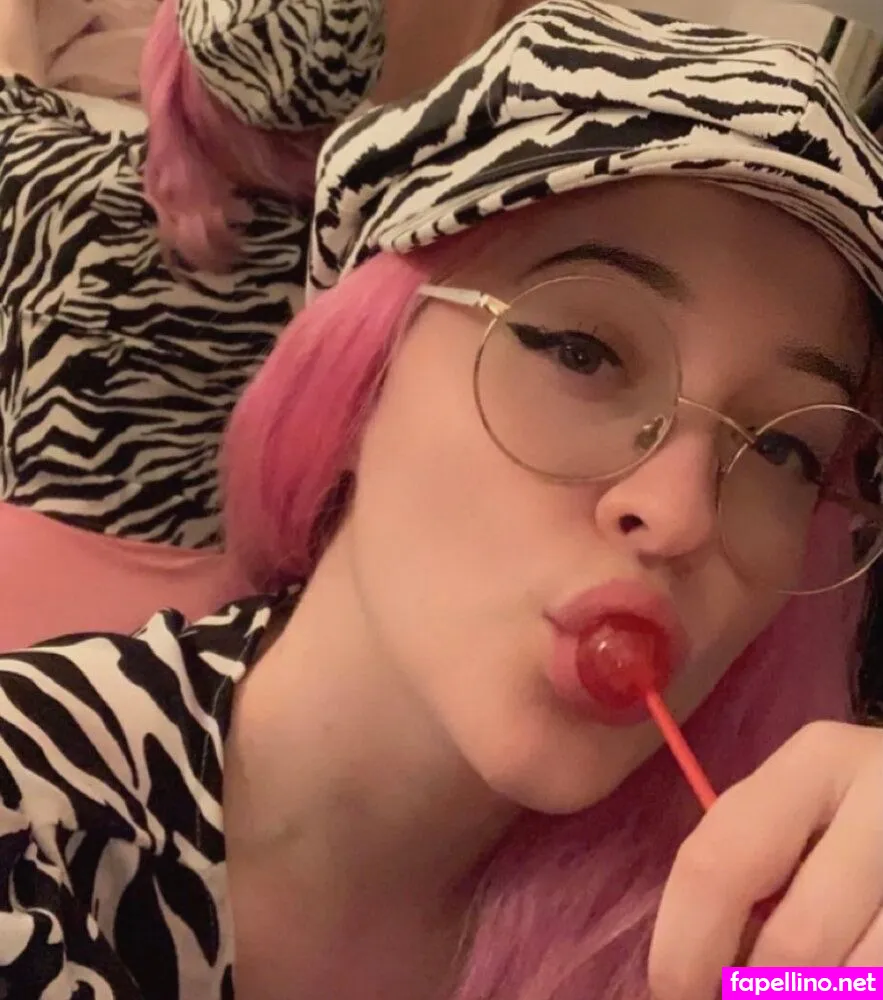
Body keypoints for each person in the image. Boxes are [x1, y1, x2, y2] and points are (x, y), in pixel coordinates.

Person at [2, 2, 883, 998]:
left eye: (782, 450)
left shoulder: (744, 928)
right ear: (363, 369)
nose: (681, 513)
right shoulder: (31, 819)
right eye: (582, 351)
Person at [0, 0, 384, 644]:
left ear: (170, 69)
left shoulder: (45, 181)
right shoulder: (358, 259)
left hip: (21, 596)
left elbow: (13, 92)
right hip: (201, 633)